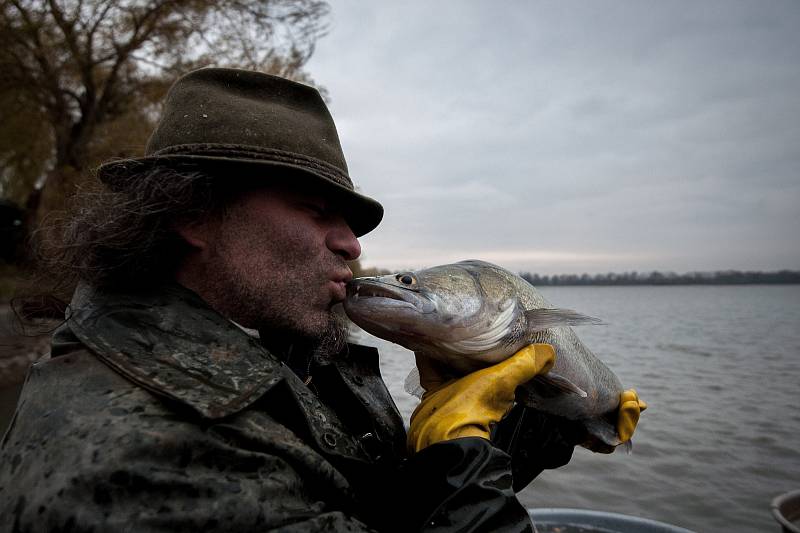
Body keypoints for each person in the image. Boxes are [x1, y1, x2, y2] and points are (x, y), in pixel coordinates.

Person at [0, 68, 645, 532]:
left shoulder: (293, 346)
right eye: (316, 211)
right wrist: (460, 458)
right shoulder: (139, 464)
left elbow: (397, 510)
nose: (353, 247)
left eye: (352, 224)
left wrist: (541, 418)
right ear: (194, 215)